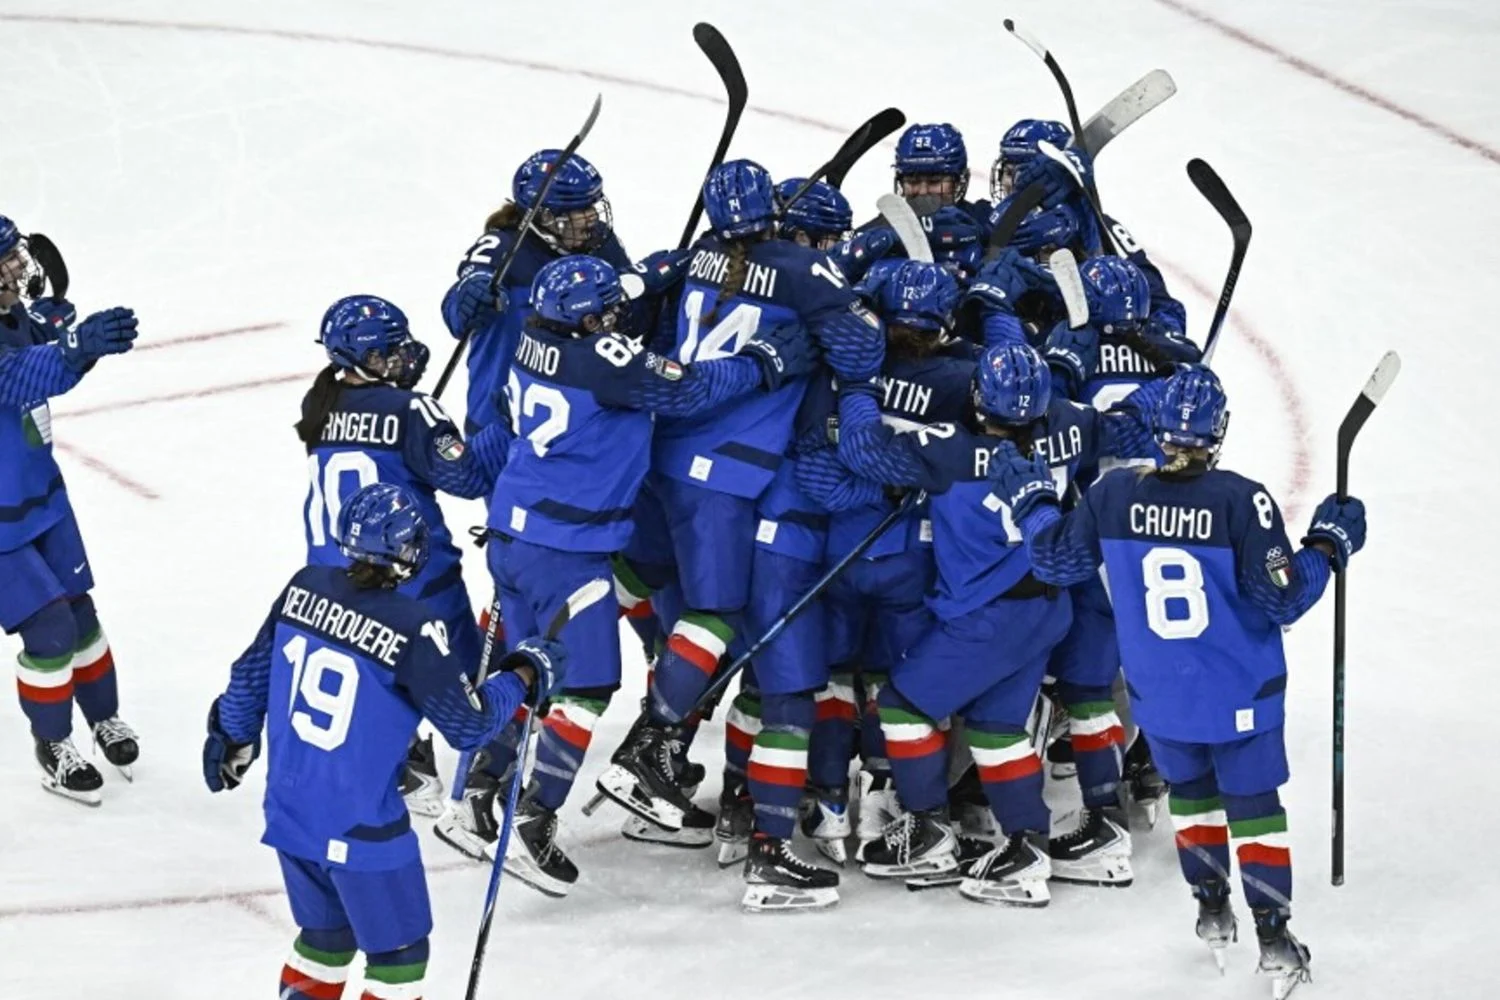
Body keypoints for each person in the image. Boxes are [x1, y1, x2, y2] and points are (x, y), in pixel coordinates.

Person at [998, 366, 1365, 992]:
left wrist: (1032, 504)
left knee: (1192, 796)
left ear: (1159, 429)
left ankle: (1211, 910)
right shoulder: (1239, 499)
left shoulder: (1113, 495)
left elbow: (1056, 558)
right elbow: (1282, 599)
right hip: (1238, 692)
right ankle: (1273, 940)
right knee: (1252, 809)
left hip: (1159, 693)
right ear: (1218, 431)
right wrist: (1328, 545)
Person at [594, 158, 883, 910]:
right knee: (740, 636)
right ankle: (659, 752)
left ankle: (677, 760)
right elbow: (859, 355)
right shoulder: (801, 268)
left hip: (665, 463)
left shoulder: (700, 258)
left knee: (702, 628)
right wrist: (844, 317)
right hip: (734, 478)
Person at [477, 253, 811, 897]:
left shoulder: (533, 336)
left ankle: (482, 787)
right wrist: (764, 361)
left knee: (525, 669)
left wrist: (643, 280)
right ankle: (534, 813)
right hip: (567, 547)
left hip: (515, 531)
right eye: (604, 313)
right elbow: (687, 389)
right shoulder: (602, 361)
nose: (615, 320)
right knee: (588, 683)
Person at [203, 482, 568, 1000]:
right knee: (399, 956)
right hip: (361, 824)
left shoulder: (303, 587)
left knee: (325, 939)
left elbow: (248, 677)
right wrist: (524, 674)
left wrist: (231, 736)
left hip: (290, 810)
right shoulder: (413, 627)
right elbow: (469, 726)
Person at [833, 342, 1157, 905]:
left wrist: (859, 386)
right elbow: (1123, 426)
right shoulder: (1071, 428)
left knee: (902, 707)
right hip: (1048, 607)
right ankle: (1026, 847)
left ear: (979, 401)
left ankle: (928, 830)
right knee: (995, 727)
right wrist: (1169, 381)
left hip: (986, 617)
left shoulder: (947, 449)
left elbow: (863, 449)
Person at [294, 294, 507, 822]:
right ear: (357, 359)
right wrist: (501, 423)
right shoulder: (410, 409)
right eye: (387, 353)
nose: (401, 358)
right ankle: (490, 779)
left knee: (380, 679)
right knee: (472, 685)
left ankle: (404, 760)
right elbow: (468, 478)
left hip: (335, 579)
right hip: (415, 578)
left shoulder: (319, 404)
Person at [790, 259, 973, 865]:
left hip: (839, 549)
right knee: (902, 686)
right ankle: (888, 797)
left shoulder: (843, 367)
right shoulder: (961, 379)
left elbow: (814, 463)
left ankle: (828, 801)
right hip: (912, 558)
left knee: (835, 678)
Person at [0, 215, 141, 803]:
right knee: (50, 626)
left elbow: (35, 335)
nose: (14, 266)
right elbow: (21, 377)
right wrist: (74, 348)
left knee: (80, 612)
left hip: (43, 496)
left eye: (13, 254)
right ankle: (52, 745)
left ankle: (103, 717)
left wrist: (57, 327)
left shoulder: (14, 315)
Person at [440, 150, 684, 435]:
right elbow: (458, 316)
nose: (592, 216)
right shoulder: (502, 250)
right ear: (545, 215)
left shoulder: (600, 244)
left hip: (573, 424)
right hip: (497, 430)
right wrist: (468, 297)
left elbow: (624, 326)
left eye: (592, 204)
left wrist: (644, 290)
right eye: (580, 209)